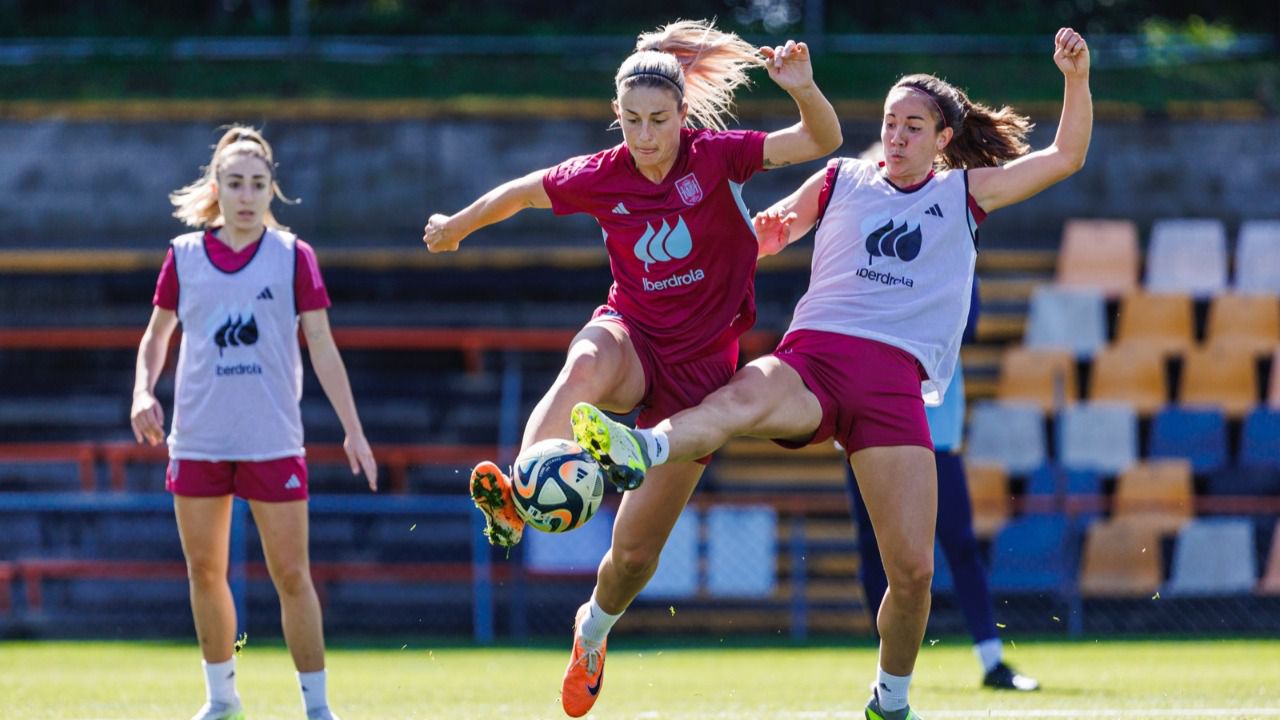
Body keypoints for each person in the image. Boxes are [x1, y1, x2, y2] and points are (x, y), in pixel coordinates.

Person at [570, 28, 1091, 720]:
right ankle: (645, 448)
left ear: (942, 139)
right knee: (742, 398)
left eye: (913, 126)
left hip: (893, 389)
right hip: (812, 360)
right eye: (889, 123)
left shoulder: (965, 194)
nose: (897, 136)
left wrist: (1076, 78)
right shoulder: (843, 178)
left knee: (912, 574)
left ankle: (891, 699)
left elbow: (1066, 156)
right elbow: (765, 232)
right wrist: (696, 262)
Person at [422, 18, 841, 718]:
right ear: (616, 116)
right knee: (584, 360)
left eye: (659, 121)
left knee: (633, 558)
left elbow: (820, 141)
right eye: (633, 121)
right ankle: (520, 495)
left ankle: (592, 632)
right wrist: (457, 226)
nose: (645, 137)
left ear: (682, 115)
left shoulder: (718, 158)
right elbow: (522, 192)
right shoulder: (602, 173)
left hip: (702, 376)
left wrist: (804, 90)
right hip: (634, 339)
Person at [130, 126, 378, 720]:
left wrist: (354, 428)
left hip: (272, 440)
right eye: (235, 183)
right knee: (205, 571)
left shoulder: (294, 256)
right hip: (198, 439)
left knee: (293, 575)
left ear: (273, 191)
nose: (246, 195)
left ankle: (318, 708)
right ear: (216, 188)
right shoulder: (183, 256)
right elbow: (156, 335)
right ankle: (221, 699)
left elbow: (322, 345)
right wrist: (142, 390)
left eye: (258, 184)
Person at [847, 279, 1039, 692]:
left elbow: (966, 326)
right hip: (866, 417)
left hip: (936, 429)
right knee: (871, 544)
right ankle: (888, 665)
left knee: (959, 542)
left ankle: (992, 659)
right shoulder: (865, 241)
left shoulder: (950, 244)